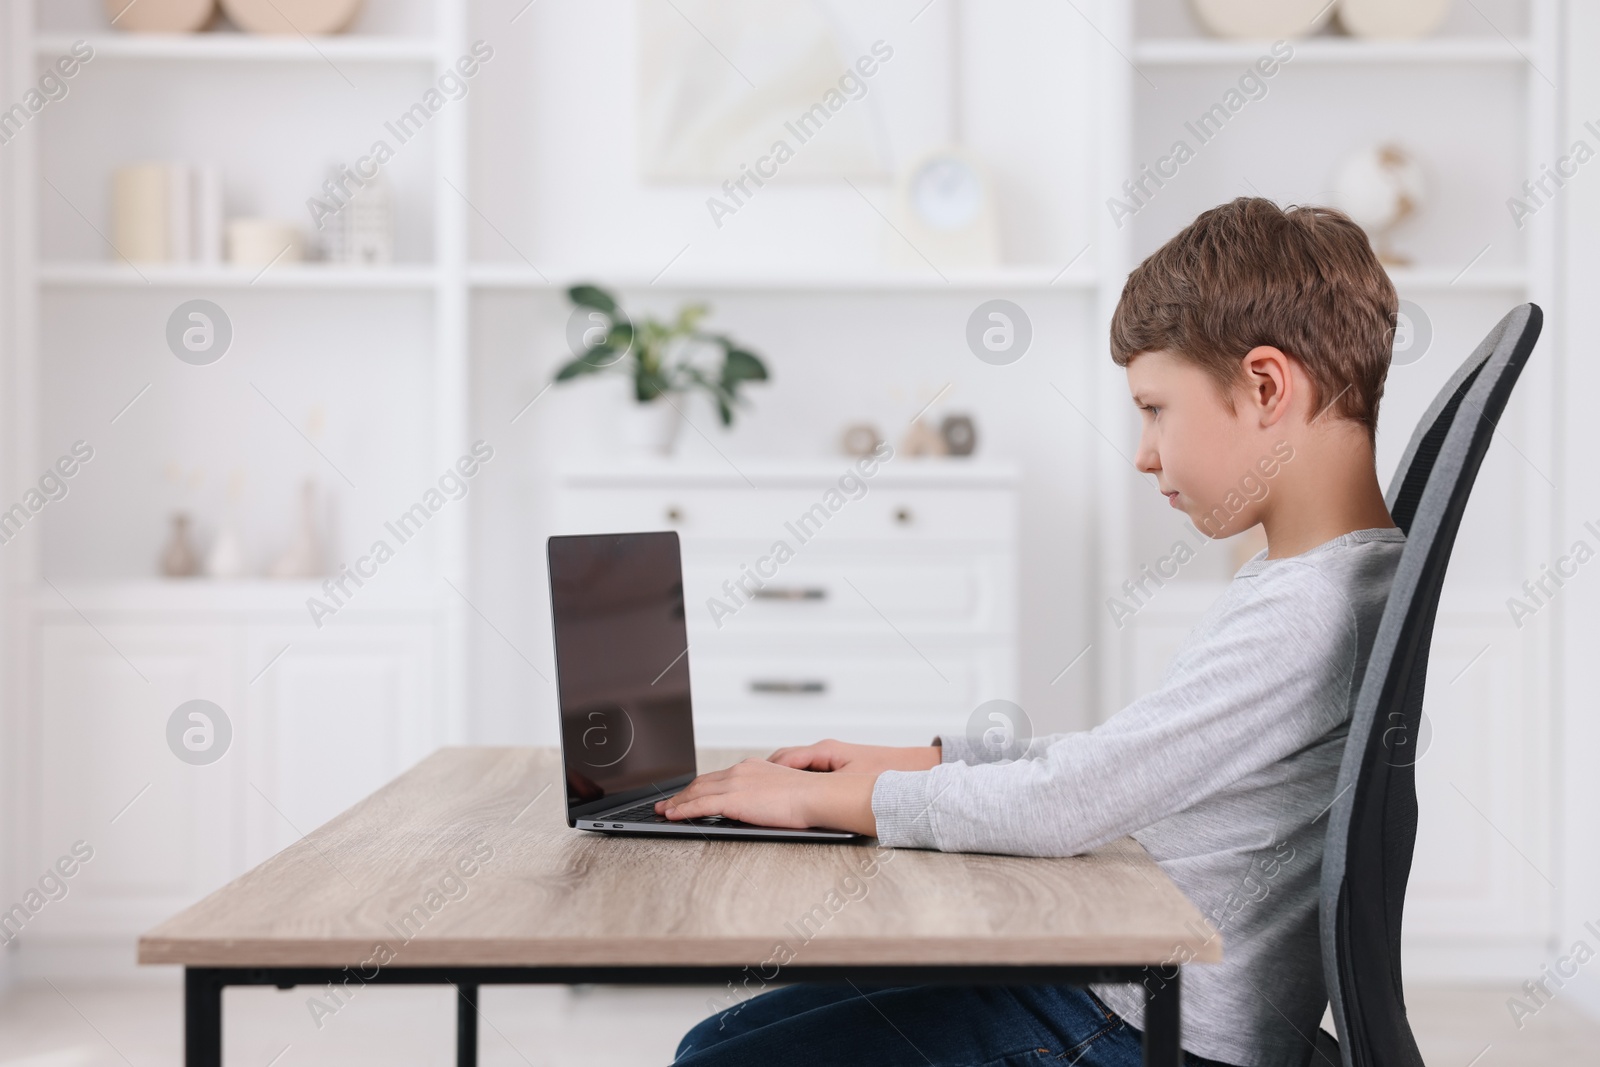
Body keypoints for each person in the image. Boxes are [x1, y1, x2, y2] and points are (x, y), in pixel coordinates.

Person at [662, 196, 1406, 1067]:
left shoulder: (1305, 611)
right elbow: (1118, 761)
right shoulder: (1331, 579)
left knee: (716, 1063)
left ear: (1267, 386)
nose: (1144, 451)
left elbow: (1068, 804)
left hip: (1132, 1024)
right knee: (716, 1039)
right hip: (1113, 986)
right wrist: (924, 760)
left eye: (1156, 408)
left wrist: (827, 801)